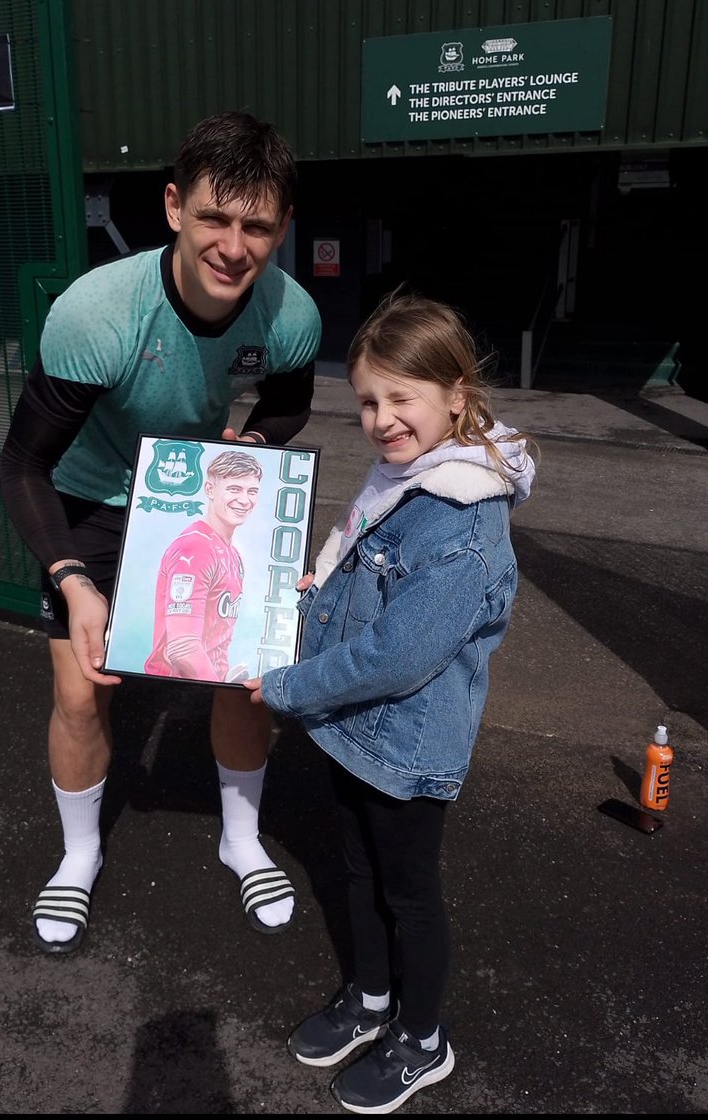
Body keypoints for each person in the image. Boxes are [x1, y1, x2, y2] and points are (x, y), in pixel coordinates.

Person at [0, 110, 321, 954]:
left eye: (256, 225)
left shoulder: (290, 314)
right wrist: (72, 578)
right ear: (175, 207)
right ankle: (78, 855)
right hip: (93, 497)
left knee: (240, 673)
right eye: (214, 217)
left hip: (198, 491)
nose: (233, 245)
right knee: (81, 689)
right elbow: (22, 467)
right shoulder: (98, 314)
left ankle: (239, 837)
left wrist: (244, 449)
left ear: (281, 227)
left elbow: (287, 405)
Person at [243, 288, 536, 1114]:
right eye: (367, 400)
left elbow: (398, 658)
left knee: (407, 890)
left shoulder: (462, 523)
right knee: (356, 868)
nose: (381, 418)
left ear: (457, 398)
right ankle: (370, 999)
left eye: (401, 398)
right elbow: (360, 578)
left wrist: (283, 685)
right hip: (353, 734)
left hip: (405, 746)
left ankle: (422, 1038)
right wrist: (311, 593)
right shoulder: (401, 479)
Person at [144, 448, 263, 682]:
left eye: (252, 491)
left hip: (205, 683)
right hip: (176, 686)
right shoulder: (196, 548)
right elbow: (182, 648)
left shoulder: (232, 554)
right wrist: (220, 690)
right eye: (234, 489)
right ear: (210, 490)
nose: (244, 500)